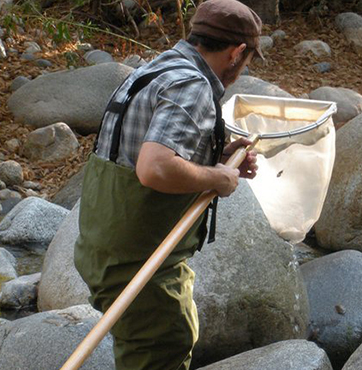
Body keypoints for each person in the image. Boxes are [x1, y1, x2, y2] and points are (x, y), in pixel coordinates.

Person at [73, 1, 263, 369]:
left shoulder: (159, 68)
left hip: (106, 245)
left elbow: (139, 148)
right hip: (137, 256)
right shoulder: (191, 85)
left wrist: (217, 155)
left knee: (159, 342)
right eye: (248, 60)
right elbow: (154, 168)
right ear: (237, 52)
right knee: (162, 348)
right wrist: (218, 178)